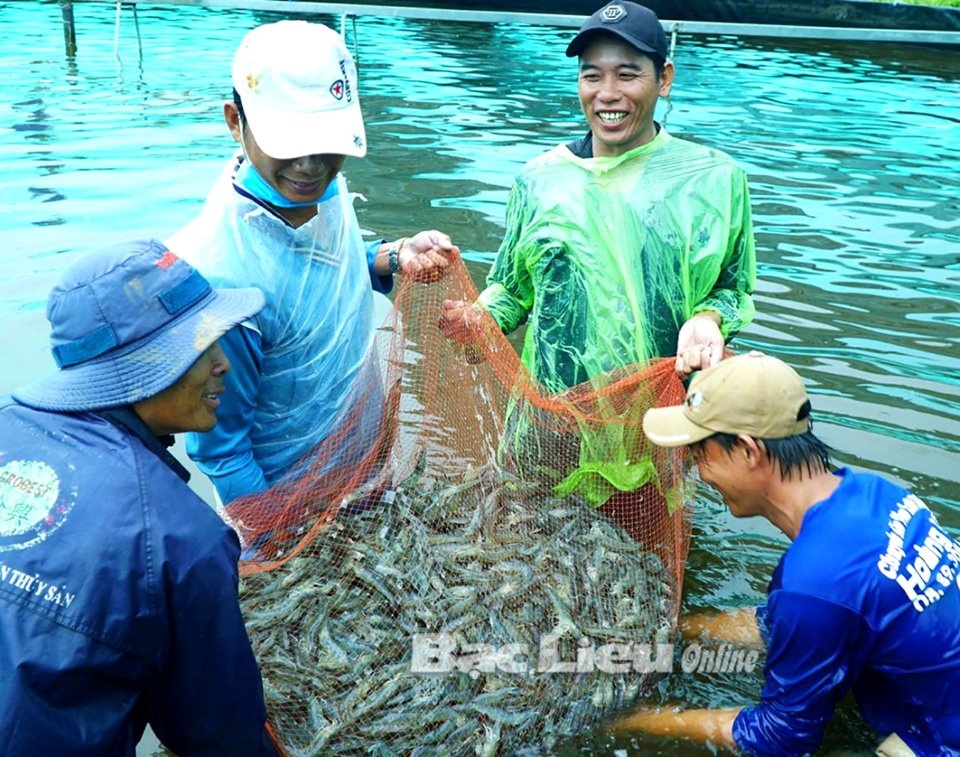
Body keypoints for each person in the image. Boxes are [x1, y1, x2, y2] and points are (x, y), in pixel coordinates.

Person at [438, 0, 755, 526]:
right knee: (527, 548)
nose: (607, 94)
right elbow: (512, 289)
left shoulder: (714, 180)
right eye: (592, 76)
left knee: (645, 562)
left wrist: (708, 319)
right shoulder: (539, 180)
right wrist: (480, 318)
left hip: (656, 422)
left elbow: (731, 287)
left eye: (627, 74)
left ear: (664, 79)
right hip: (553, 419)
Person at [0, 239, 275, 755]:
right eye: (201, 344)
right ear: (142, 363)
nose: (225, 364)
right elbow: (218, 734)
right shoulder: (183, 537)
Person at [168, 20, 459, 504]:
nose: (309, 164)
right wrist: (275, 544)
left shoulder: (322, 185)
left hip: (364, 458)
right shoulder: (220, 278)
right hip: (288, 499)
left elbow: (317, 272)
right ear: (234, 122)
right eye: (288, 141)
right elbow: (222, 451)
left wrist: (389, 257)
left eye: (327, 139)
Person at [612, 351, 960, 756]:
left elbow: (780, 737)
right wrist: (678, 629)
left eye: (698, 453)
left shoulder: (813, 581)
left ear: (747, 450)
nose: (695, 471)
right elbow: (790, 621)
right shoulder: (878, 495)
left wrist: (643, 719)